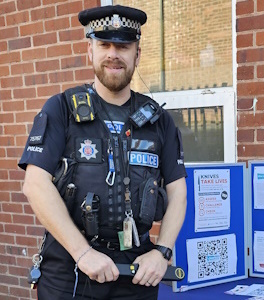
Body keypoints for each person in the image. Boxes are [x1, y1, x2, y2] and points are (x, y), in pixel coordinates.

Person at [18, 5, 187, 299]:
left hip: (137, 272)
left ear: (137, 54)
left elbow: (178, 191)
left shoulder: (159, 120)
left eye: (123, 46)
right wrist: (83, 253)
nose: (113, 54)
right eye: (104, 44)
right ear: (90, 51)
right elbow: (35, 184)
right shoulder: (61, 109)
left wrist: (162, 251)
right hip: (70, 271)